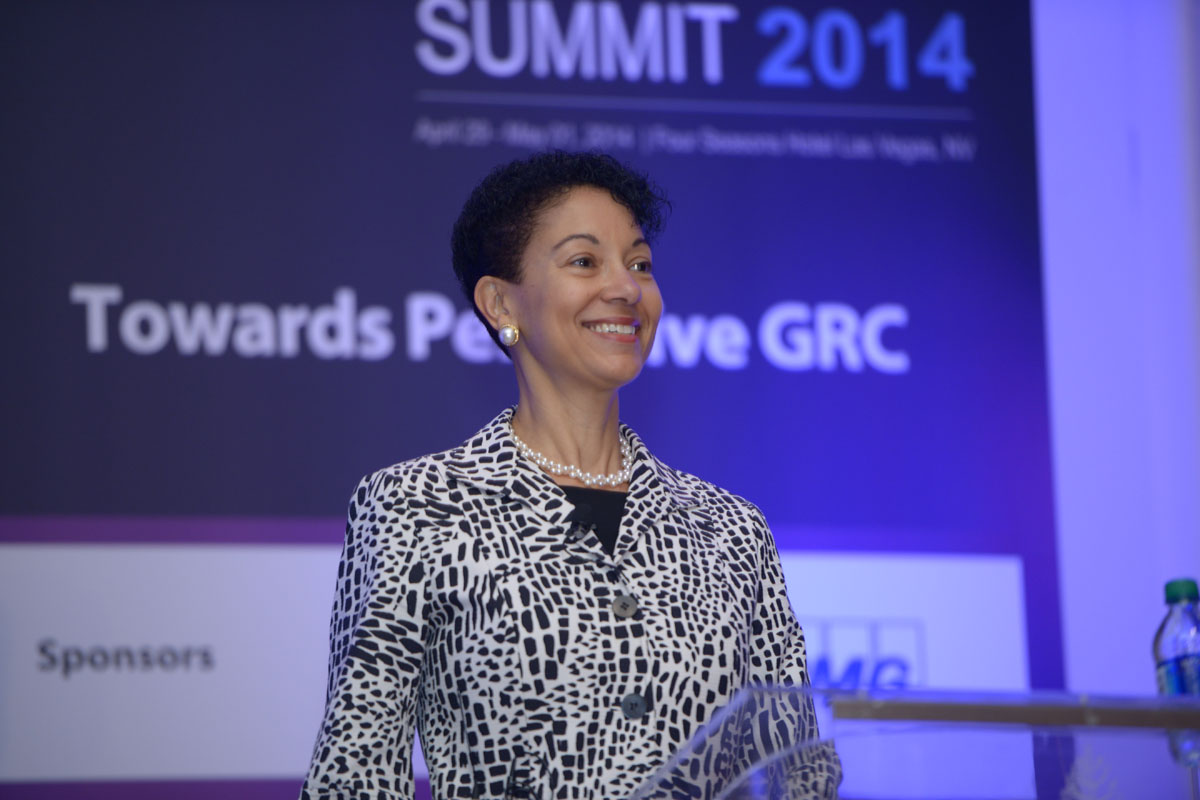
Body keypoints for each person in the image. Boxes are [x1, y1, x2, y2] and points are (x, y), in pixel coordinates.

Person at [299, 152, 839, 800]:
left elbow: (800, 773)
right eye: (585, 261)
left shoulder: (731, 530)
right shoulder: (417, 507)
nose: (626, 288)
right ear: (501, 302)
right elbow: (354, 775)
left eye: (640, 264)